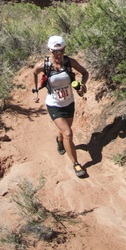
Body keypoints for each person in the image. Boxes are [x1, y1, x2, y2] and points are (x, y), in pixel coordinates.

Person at [32, 35, 89, 178]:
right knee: (69, 133)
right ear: (49, 50)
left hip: (69, 102)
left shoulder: (70, 62)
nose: (58, 55)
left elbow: (85, 73)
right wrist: (35, 91)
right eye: (55, 52)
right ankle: (76, 164)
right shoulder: (43, 65)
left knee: (64, 132)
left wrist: (82, 85)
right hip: (54, 104)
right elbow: (34, 73)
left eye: (61, 51)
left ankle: (59, 140)